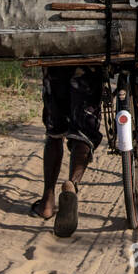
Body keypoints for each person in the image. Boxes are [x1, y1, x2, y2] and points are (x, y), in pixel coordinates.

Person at [31, 66, 104, 237]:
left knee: (54, 132)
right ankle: (72, 184)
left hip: (56, 59)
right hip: (88, 62)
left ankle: (47, 203)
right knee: (83, 133)